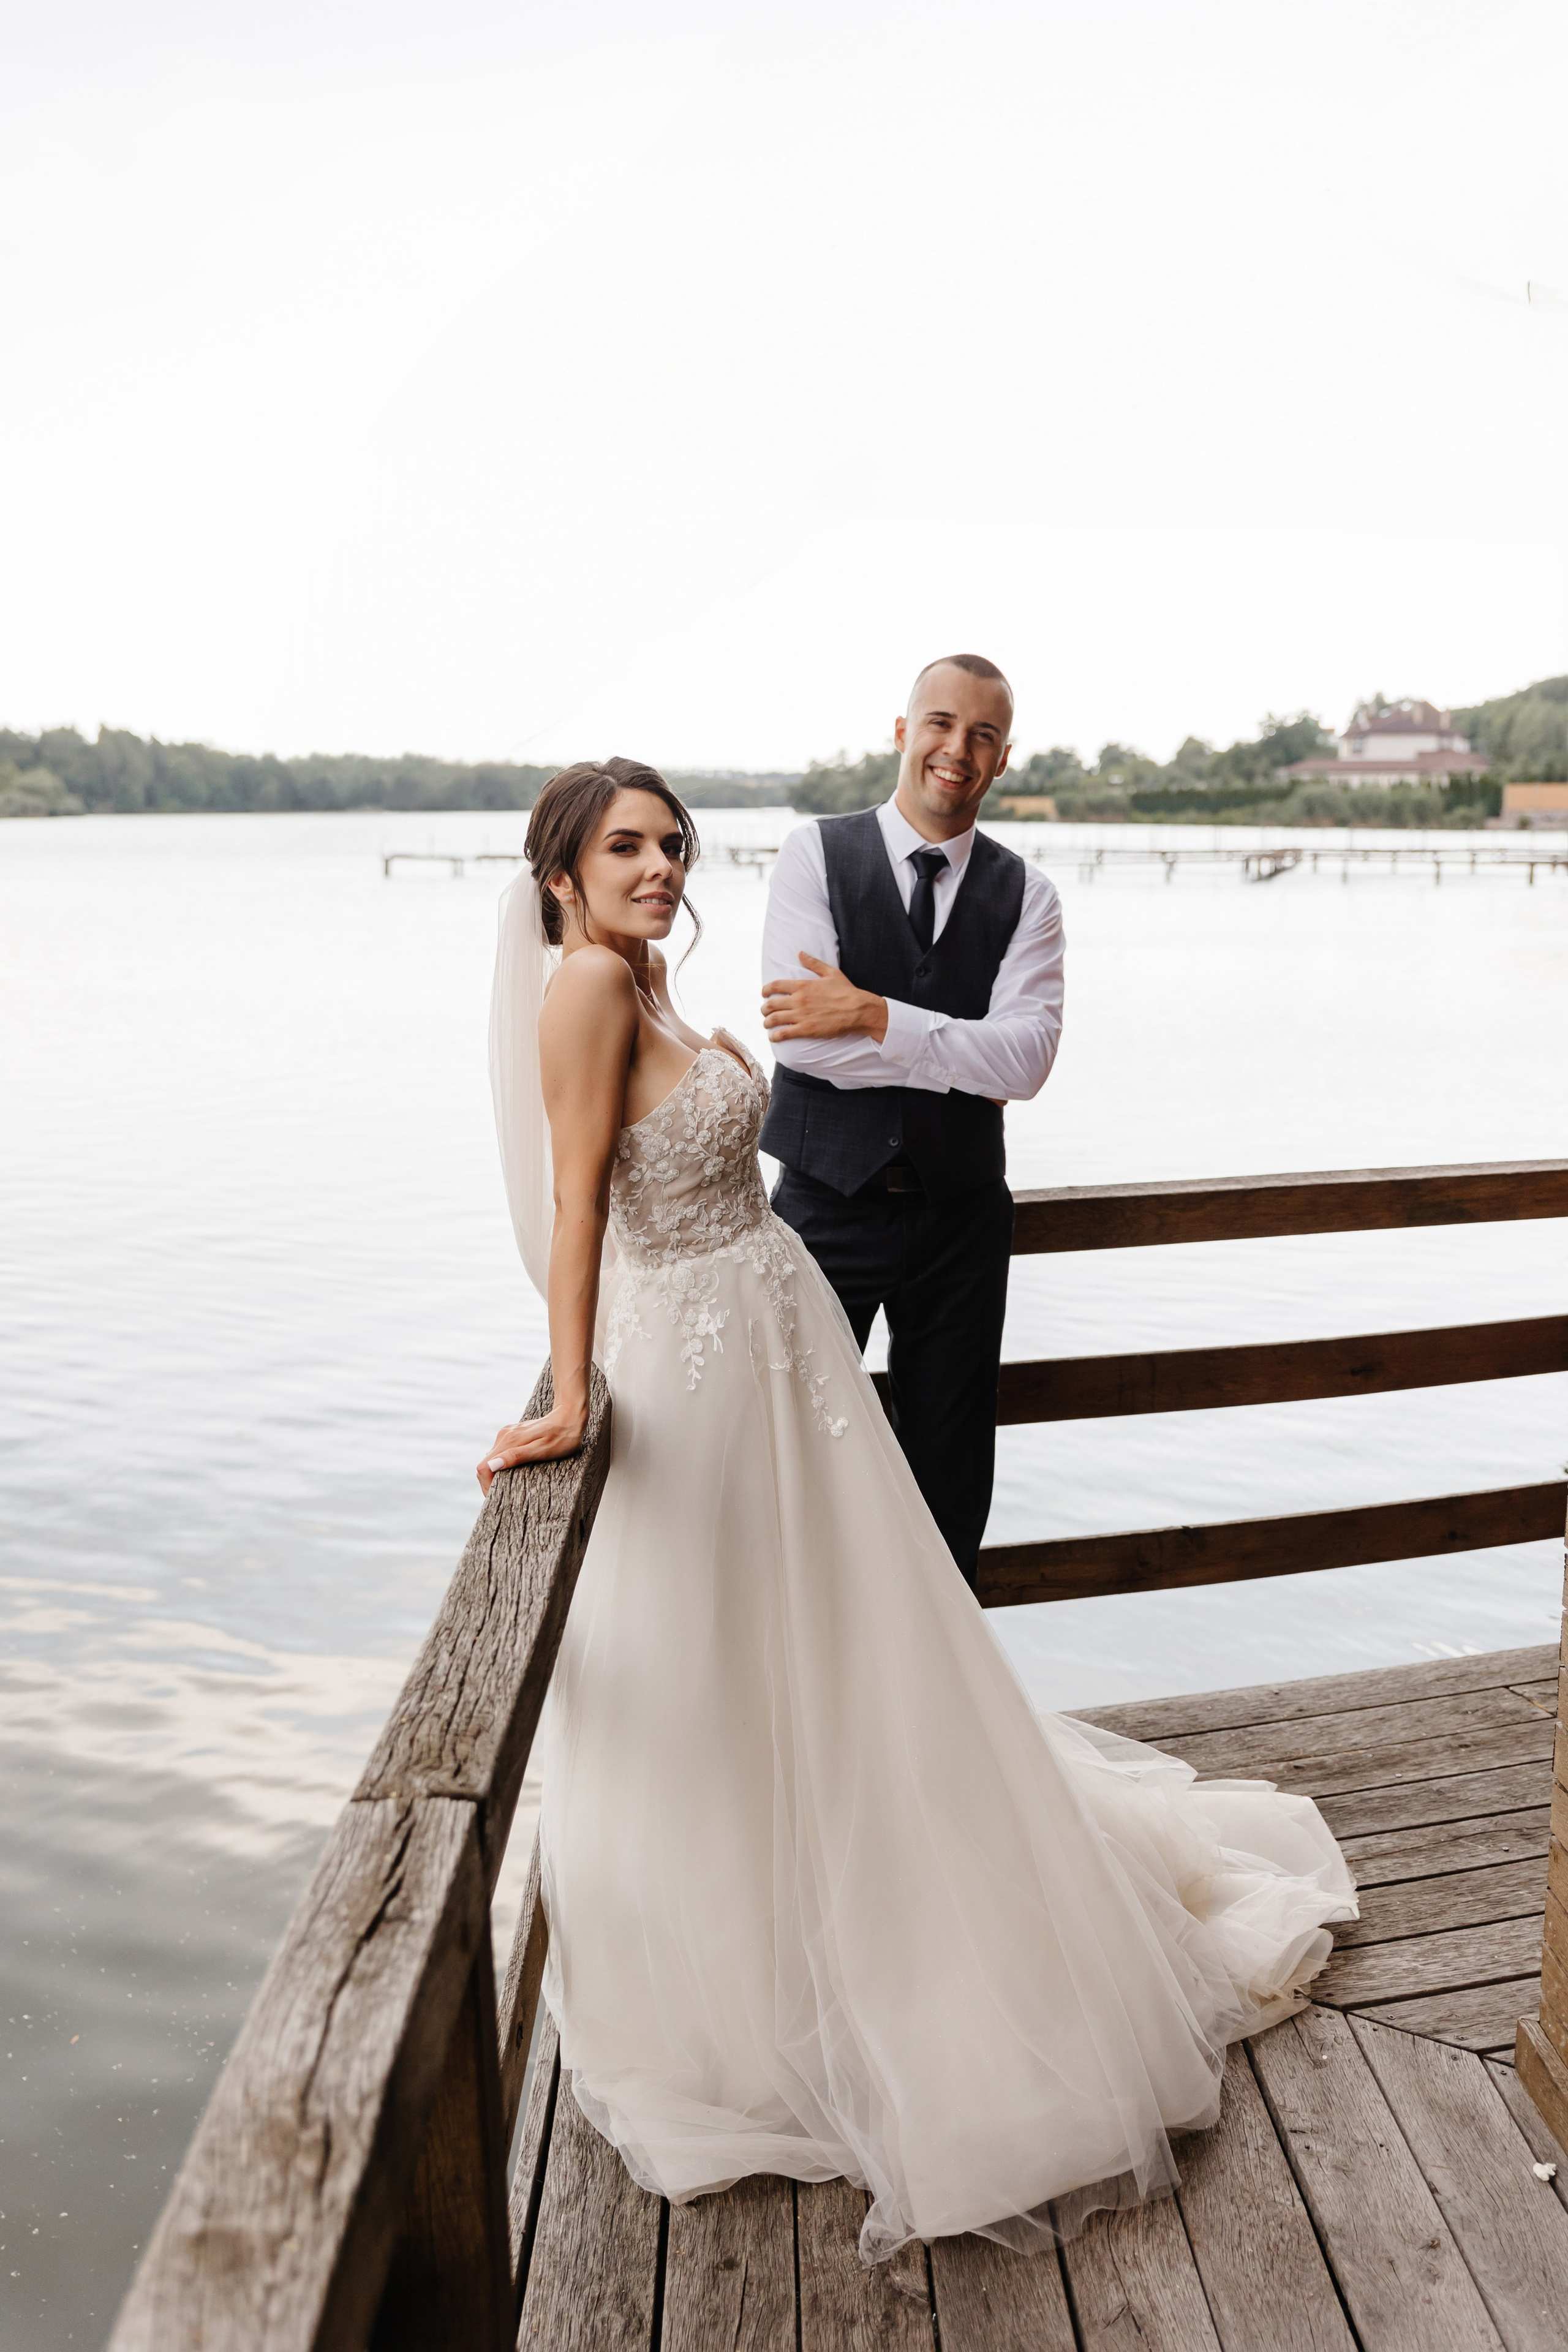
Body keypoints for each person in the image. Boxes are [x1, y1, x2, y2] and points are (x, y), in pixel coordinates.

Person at [480, 756, 1355, 2268]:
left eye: (673, 845)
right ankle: (762, 1972)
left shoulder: (645, 984)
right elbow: (576, 1205)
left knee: (834, 1651)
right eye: (625, 848)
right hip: (692, 1369)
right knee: (735, 1666)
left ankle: (853, 1913)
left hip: (774, 1354)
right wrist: (568, 1392)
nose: (660, 869)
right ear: (559, 867)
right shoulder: (581, 991)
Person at [758, 656, 1061, 1586]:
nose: (956, 750)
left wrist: (877, 1015)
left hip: (961, 1225)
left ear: (1004, 760)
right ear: (902, 732)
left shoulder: (1030, 896)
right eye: (940, 724)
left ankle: (938, 1722)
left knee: (950, 1480)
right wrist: (956, 1051)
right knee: (795, 1467)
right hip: (822, 1211)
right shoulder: (815, 853)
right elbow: (802, 1043)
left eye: (982, 736)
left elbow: (1028, 1060)